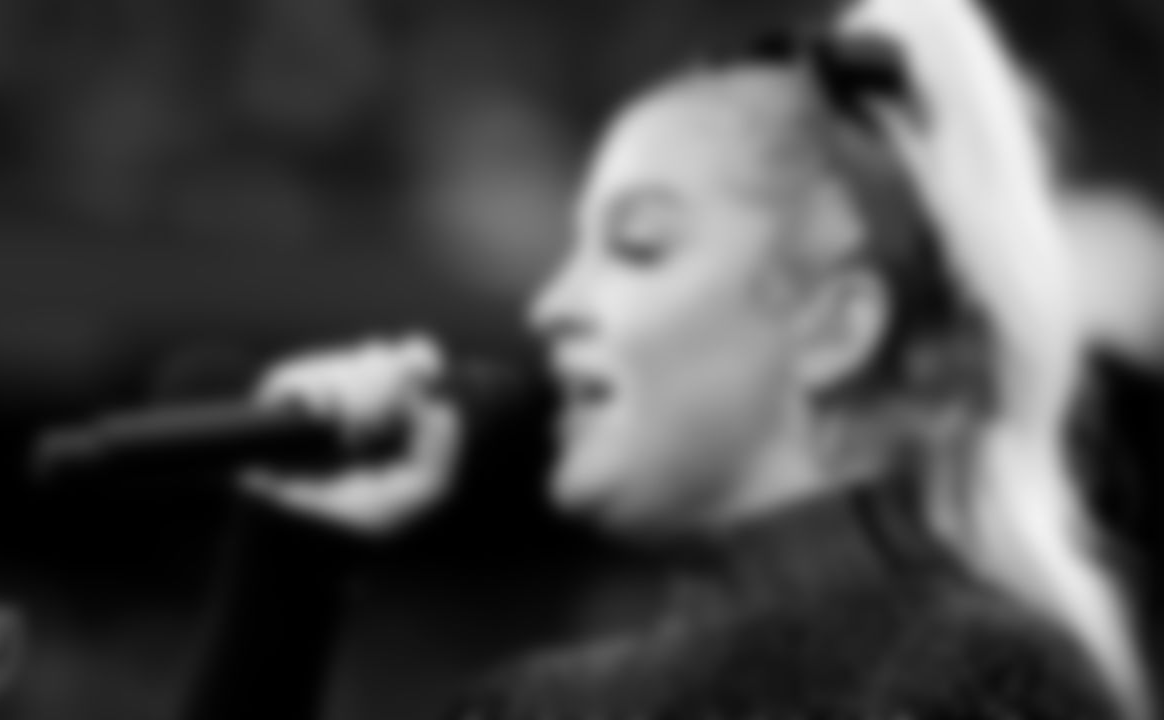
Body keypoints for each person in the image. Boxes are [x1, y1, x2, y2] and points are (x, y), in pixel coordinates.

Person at [178, 1, 1153, 718]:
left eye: (637, 245)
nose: (549, 304)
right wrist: (288, 559)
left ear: (832, 327)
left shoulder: (976, 678)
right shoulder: (542, 703)